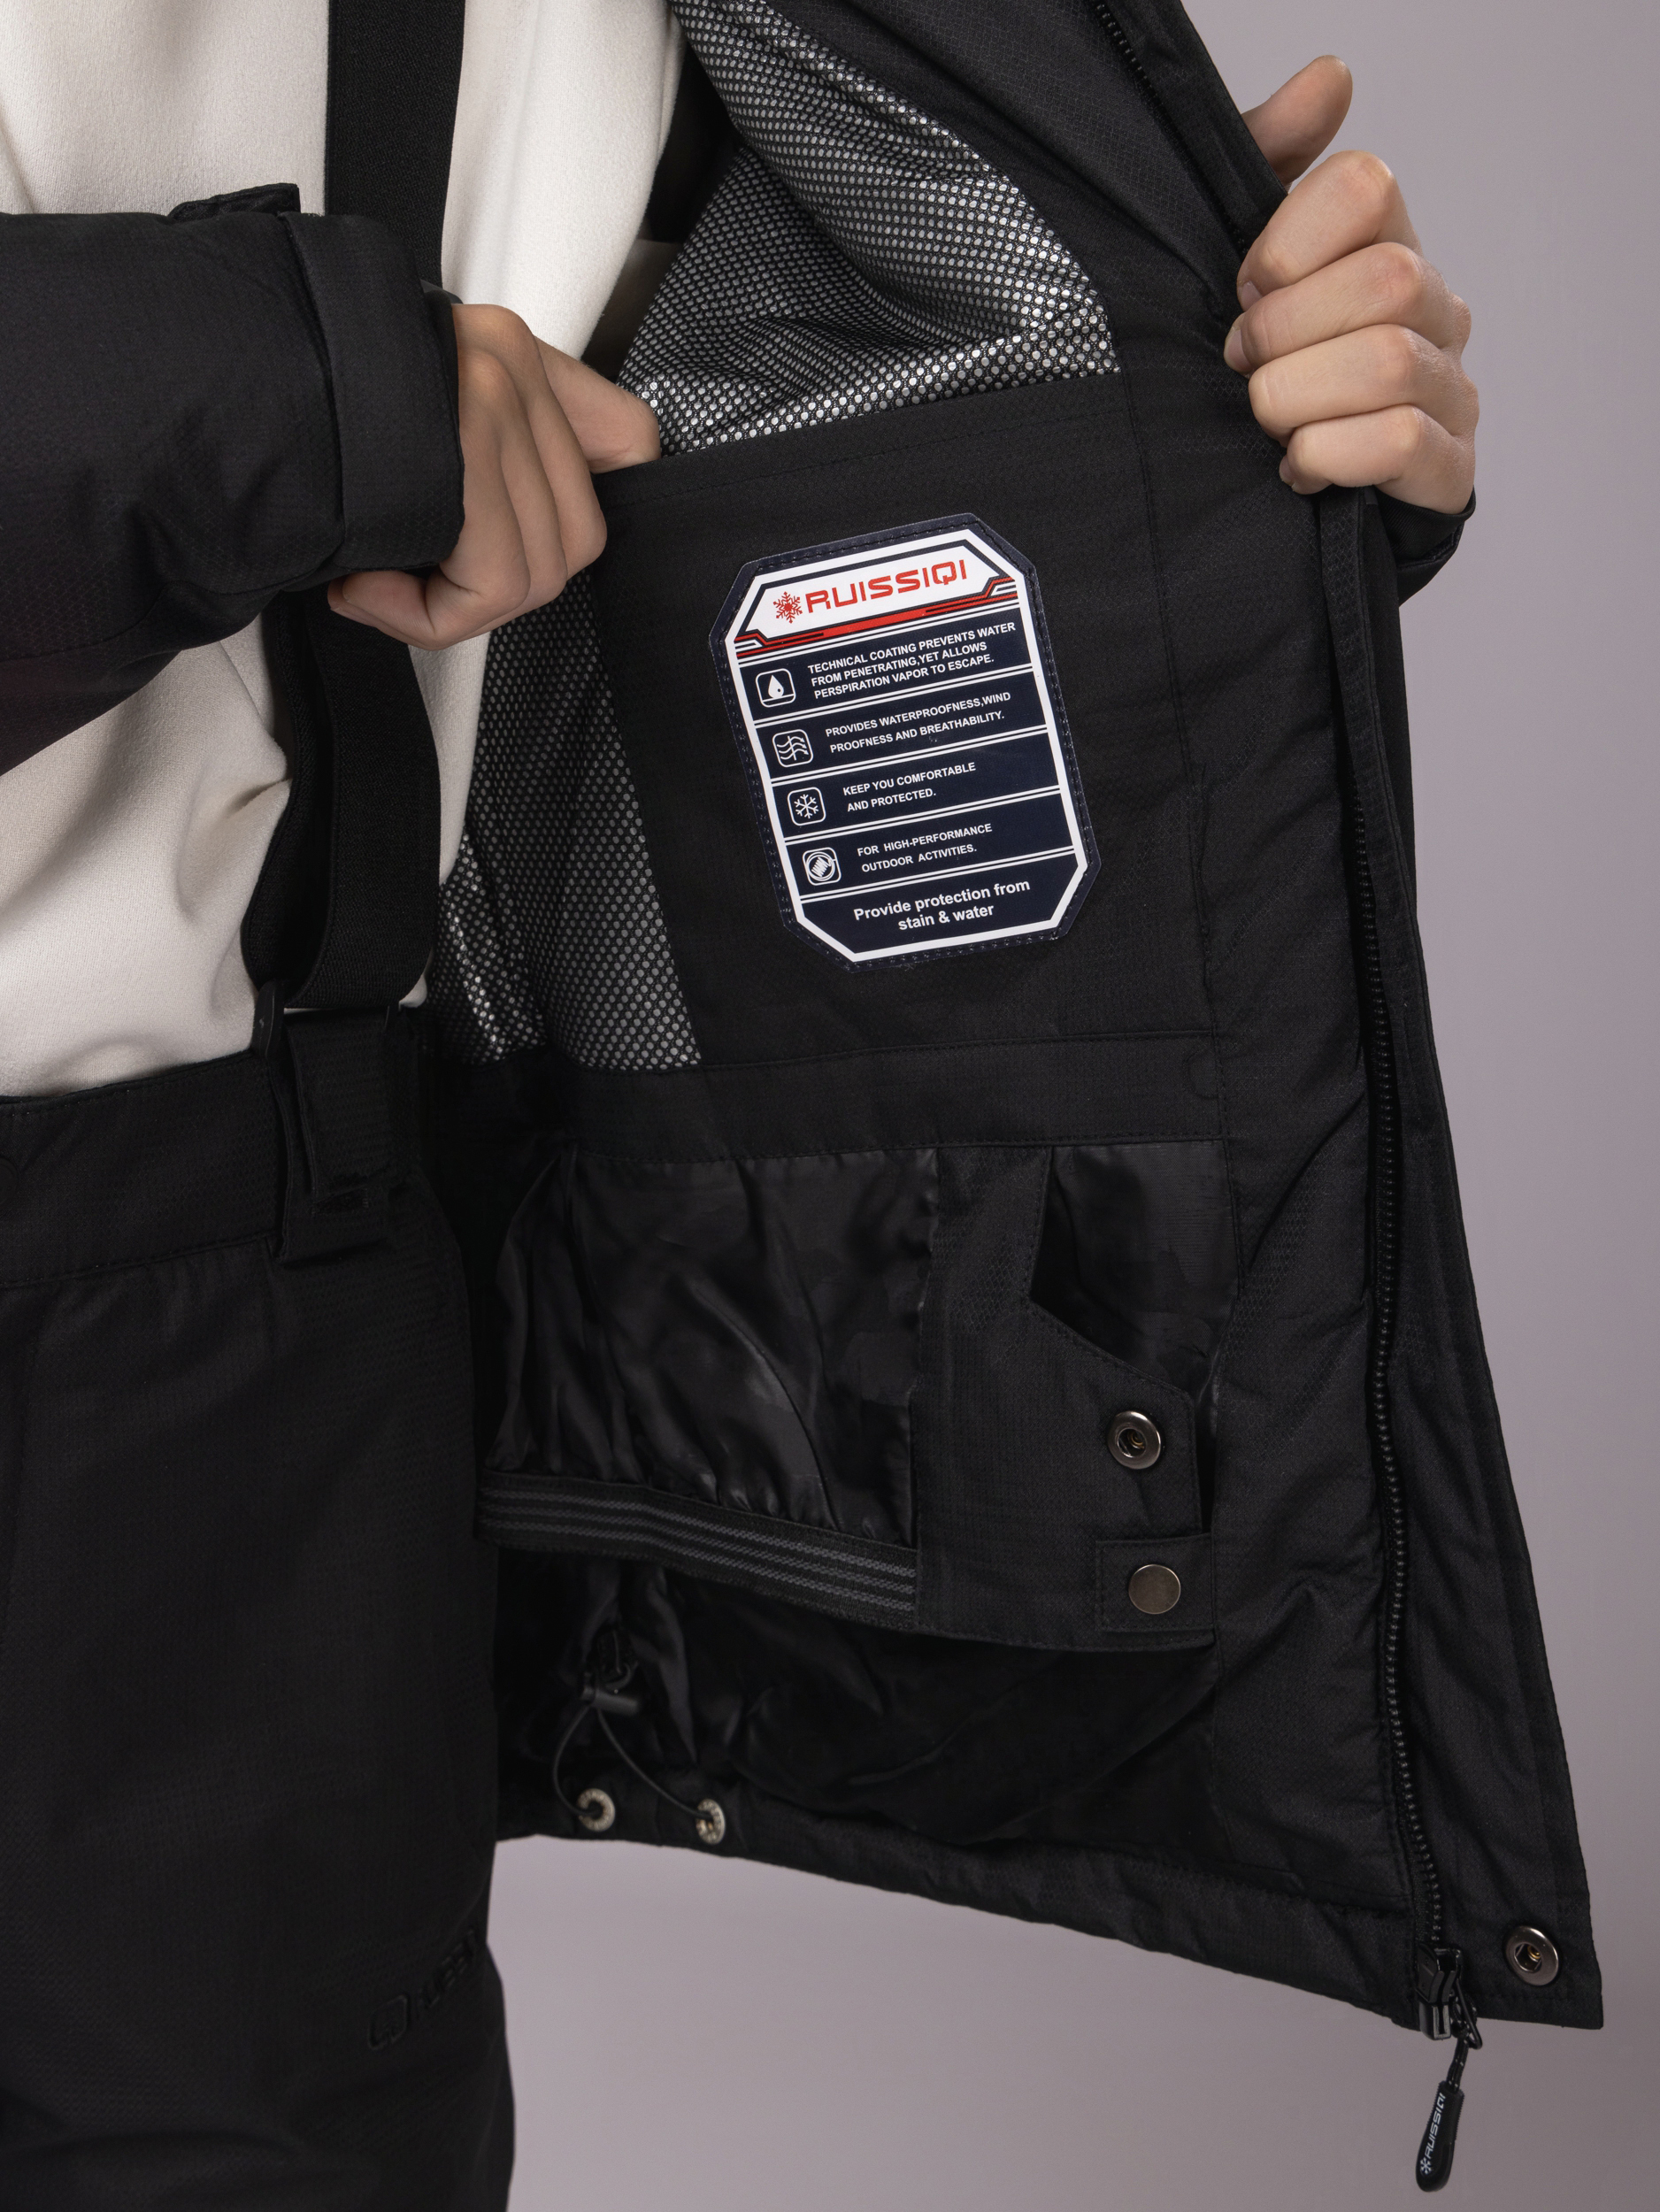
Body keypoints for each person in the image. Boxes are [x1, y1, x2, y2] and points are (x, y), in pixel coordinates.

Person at [0, 9, 1479, 2207]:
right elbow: (363, 405)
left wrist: (1186, 432)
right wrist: (279, 384)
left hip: (265, 1291)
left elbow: (712, 446)